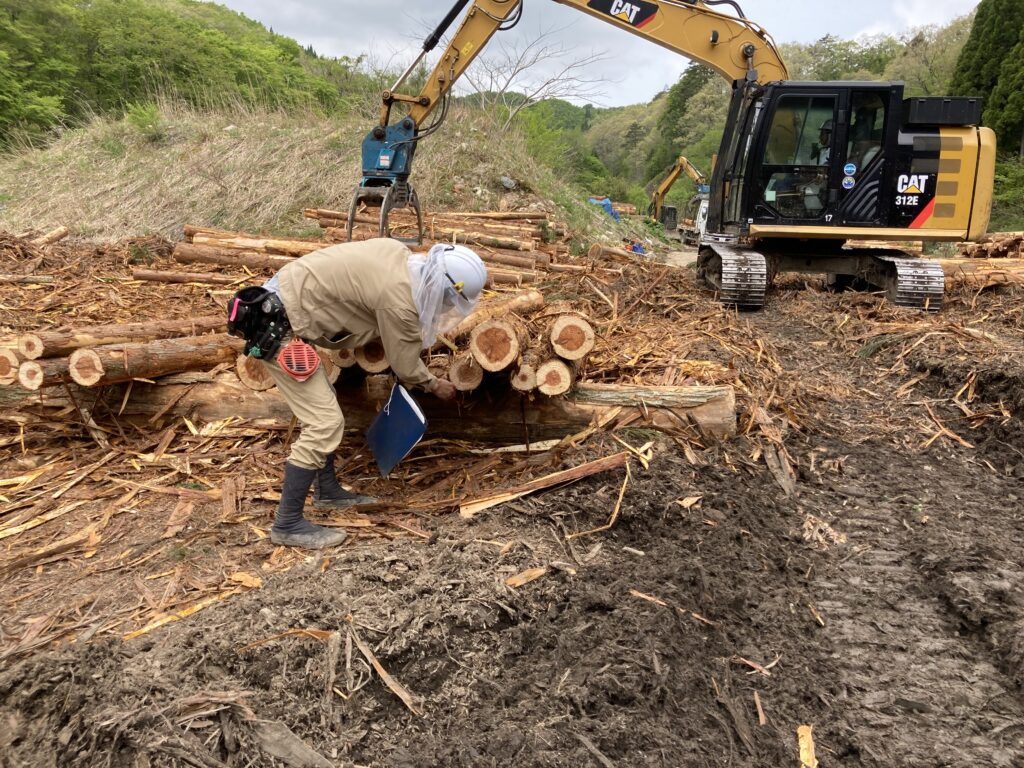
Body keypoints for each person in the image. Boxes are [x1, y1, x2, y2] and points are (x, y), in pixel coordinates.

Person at [229, 239, 487, 549]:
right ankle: (287, 523)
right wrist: (433, 383)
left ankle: (327, 491)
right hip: (277, 328)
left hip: (285, 303)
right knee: (324, 423)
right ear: (444, 291)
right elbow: (405, 364)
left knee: (322, 409)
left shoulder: (396, 253)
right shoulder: (399, 302)